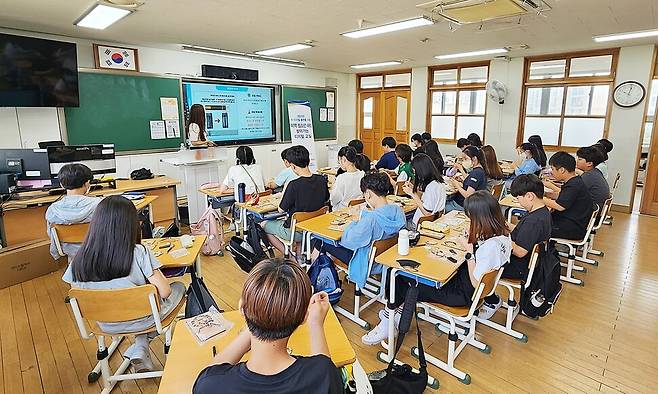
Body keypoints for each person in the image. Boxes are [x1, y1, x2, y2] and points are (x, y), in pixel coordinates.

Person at [362, 191, 511, 344]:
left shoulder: (489, 248)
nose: (469, 222)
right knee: (406, 278)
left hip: (463, 294)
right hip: (468, 288)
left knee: (400, 278)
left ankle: (387, 323)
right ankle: (396, 314)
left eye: (471, 218)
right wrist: (474, 241)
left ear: (481, 219)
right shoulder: (503, 236)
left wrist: (469, 253)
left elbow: (475, 282)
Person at [64, 196, 185, 372]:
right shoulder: (139, 252)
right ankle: (142, 343)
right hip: (144, 319)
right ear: (131, 223)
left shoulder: (79, 259)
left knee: (137, 303)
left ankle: (141, 346)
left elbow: (76, 292)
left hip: (105, 322)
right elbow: (165, 292)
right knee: (178, 287)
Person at [193, 259, 342, 394]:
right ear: (304, 317)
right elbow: (323, 367)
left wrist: (254, 319)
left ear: (241, 308)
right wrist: (316, 324)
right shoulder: (324, 375)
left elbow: (211, 372)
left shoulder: (210, 385)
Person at [312, 173, 406, 288]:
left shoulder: (371, 219)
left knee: (320, 240)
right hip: (386, 259)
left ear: (368, 194)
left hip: (365, 261)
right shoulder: (398, 211)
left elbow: (348, 241)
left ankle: (317, 280)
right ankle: (329, 273)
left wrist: (355, 222)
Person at [480, 174, 551, 319]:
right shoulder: (542, 212)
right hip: (526, 263)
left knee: (479, 261)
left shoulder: (534, 221)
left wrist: (498, 239)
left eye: (518, 198)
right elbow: (522, 233)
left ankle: (491, 301)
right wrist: (506, 226)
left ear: (530, 196)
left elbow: (519, 251)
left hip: (518, 266)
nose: (518, 202)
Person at [263, 146, 329, 254]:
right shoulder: (321, 179)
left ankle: (289, 256)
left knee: (263, 225)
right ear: (308, 161)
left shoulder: (293, 185)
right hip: (315, 228)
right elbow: (326, 199)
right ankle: (299, 255)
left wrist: (285, 191)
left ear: (293, 166)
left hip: (295, 231)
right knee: (299, 218)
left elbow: (281, 210)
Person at [46, 163, 101, 261]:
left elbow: (52, 235)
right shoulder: (100, 205)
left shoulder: (52, 210)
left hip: (72, 256)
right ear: (87, 183)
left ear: (62, 185)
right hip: (99, 251)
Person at [543, 152, 594, 240]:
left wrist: (538, 198)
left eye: (553, 169)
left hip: (571, 228)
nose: (552, 172)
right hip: (573, 222)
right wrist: (546, 194)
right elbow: (563, 197)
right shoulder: (575, 181)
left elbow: (560, 206)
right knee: (540, 218)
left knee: (536, 226)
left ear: (562, 170)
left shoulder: (573, 185)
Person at [403, 153, 446, 229]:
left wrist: (412, 194)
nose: (415, 175)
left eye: (415, 172)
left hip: (420, 225)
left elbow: (427, 213)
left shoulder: (431, 187)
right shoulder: (438, 183)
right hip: (431, 222)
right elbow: (428, 198)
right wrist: (414, 189)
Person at [446, 146, 488, 212]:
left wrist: (456, 184)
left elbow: (468, 195)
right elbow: (474, 184)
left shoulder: (476, 173)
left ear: (474, 158)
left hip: (463, 206)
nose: (463, 162)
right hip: (475, 204)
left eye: (465, 159)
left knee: (443, 204)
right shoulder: (480, 170)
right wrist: (463, 180)